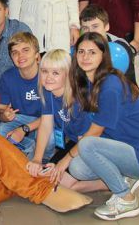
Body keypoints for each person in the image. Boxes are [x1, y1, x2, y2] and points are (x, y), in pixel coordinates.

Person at [49, 33, 139, 221]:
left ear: (103, 56)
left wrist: (63, 161)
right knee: (78, 168)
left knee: (86, 146)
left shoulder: (110, 85)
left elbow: (95, 132)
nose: (85, 57)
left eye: (92, 52)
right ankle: (126, 178)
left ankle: (126, 199)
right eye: (81, 52)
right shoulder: (88, 82)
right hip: (123, 148)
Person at [26, 49, 91, 177]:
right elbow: (45, 125)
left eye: (55, 73)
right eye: (44, 71)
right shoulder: (48, 90)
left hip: (91, 143)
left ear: (68, 75)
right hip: (72, 140)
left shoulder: (79, 101)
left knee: (69, 172)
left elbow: (84, 141)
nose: (48, 77)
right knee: (46, 175)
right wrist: (37, 159)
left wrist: (62, 164)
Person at [0, 32, 53, 159]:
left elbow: (53, 115)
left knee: (49, 139)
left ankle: (43, 158)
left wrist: (24, 129)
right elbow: (0, 109)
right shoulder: (8, 76)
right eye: (15, 52)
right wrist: (4, 115)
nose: (20, 55)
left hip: (46, 119)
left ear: (37, 55)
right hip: (20, 118)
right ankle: (29, 147)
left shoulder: (49, 75)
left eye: (25, 50)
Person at [80, 4, 137, 87]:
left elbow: (128, 84)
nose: (90, 32)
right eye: (85, 28)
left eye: (95, 26)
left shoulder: (120, 48)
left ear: (106, 26)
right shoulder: (80, 49)